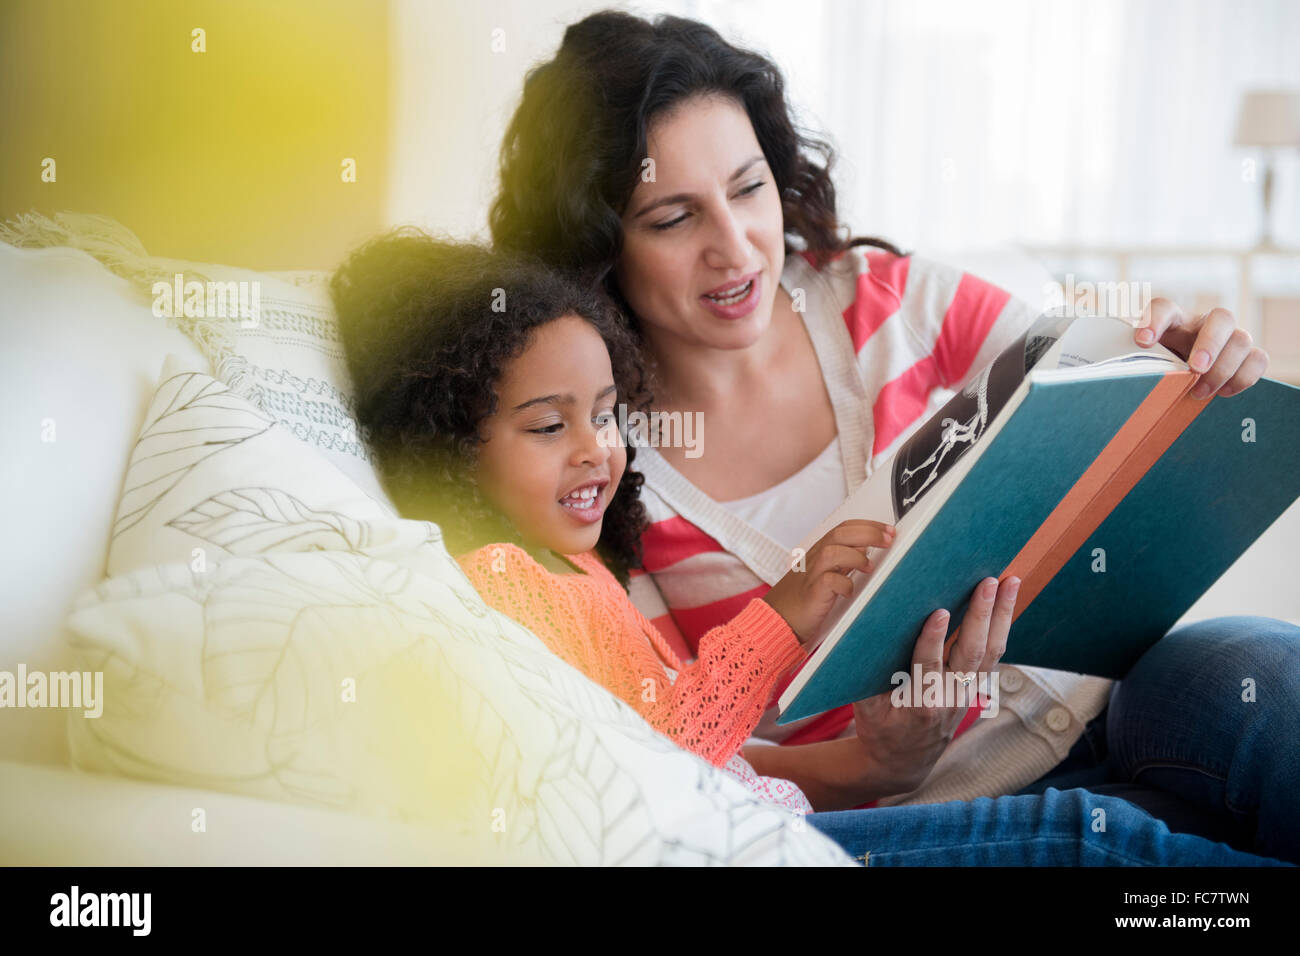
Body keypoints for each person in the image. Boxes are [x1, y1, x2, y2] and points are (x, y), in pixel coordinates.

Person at [487, 9, 1300, 863]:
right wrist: (872, 760)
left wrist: (1172, 355)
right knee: (1125, 845)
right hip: (907, 811)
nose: (735, 249)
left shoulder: (893, 302)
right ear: (597, 247)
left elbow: (1088, 370)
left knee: (1267, 679)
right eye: (672, 219)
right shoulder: (596, 464)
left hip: (1103, 704)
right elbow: (682, 746)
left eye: (749, 188)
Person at [329, 231, 1287, 866]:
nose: (598, 450)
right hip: (785, 837)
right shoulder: (504, 582)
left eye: (609, 414)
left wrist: (1166, 345)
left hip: (847, 793)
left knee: (1233, 710)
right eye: (549, 428)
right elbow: (655, 755)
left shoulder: (570, 568)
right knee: (1099, 839)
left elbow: (1082, 356)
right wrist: (780, 619)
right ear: (449, 455)